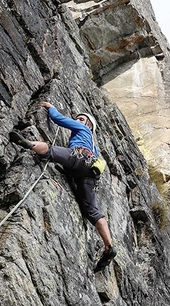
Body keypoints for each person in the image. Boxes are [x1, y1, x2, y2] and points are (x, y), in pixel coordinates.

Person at [10, 102, 116, 272]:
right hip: (89, 173)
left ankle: (29, 143)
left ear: (89, 125)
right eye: (78, 118)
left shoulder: (84, 129)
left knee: (49, 151)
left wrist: (50, 106)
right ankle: (109, 246)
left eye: (81, 119)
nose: (78, 120)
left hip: (78, 157)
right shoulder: (94, 148)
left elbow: (58, 119)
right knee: (92, 211)